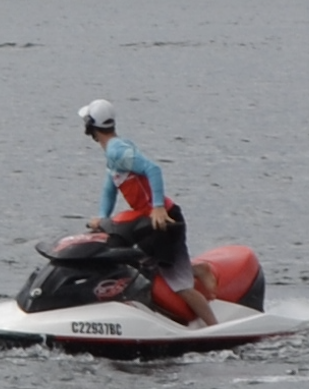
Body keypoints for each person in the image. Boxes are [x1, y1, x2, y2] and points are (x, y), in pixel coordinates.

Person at [77, 98, 219, 327]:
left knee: (180, 286)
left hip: (166, 220)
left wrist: (158, 207)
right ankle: (194, 271)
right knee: (140, 261)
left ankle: (214, 327)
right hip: (147, 221)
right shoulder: (113, 151)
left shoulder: (117, 150)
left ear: (90, 126)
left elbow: (153, 169)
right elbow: (109, 188)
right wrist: (102, 218)